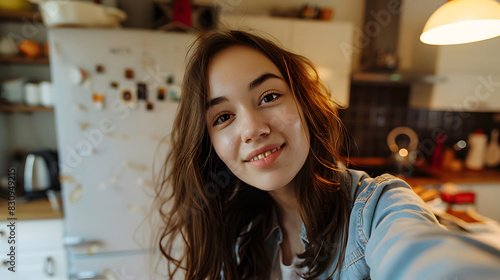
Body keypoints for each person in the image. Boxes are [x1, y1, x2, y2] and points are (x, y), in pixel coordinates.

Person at [154, 30, 500, 280]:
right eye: (223, 117)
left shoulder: (376, 208)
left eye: (268, 96)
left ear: (303, 103)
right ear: (209, 144)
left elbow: (422, 257)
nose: (252, 129)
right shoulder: (238, 230)